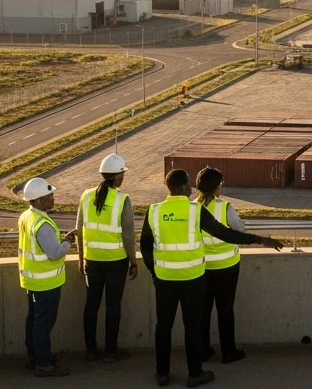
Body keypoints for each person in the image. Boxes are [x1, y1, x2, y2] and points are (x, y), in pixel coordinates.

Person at [140, 169, 284, 387]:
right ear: (184, 187)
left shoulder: (154, 211)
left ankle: (162, 373)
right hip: (193, 278)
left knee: (163, 327)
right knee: (193, 326)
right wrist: (260, 240)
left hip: (165, 280)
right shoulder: (195, 211)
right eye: (189, 184)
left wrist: (155, 274)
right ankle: (194, 374)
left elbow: (145, 247)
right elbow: (226, 233)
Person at [76, 154, 137, 363]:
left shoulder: (85, 196)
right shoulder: (122, 199)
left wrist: (80, 258)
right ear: (118, 177)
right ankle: (111, 351)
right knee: (113, 307)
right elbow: (128, 236)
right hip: (116, 262)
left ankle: (90, 350)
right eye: (123, 173)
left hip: (91, 260)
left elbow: (79, 230)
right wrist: (134, 261)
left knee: (91, 305)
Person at [18, 177, 72, 378]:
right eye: (49, 195)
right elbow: (54, 253)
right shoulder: (42, 223)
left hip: (32, 279)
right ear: (38, 200)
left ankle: (35, 356)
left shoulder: (26, 216)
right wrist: (67, 242)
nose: (53, 198)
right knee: (43, 323)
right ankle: (43, 363)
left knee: (34, 319)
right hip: (46, 282)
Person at [194, 167, 245, 365]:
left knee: (203, 312)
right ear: (217, 187)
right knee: (225, 310)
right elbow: (240, 229)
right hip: (227, 267)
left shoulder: (192, 208)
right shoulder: (224, 207)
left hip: (201, 268)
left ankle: (203, 351)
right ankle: (228, 352)